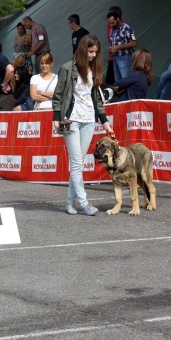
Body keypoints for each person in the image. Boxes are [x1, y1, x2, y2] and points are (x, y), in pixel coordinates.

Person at [52, 34, 115, 216]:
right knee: (77, 162)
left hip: (89, 120)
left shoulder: (94, 70)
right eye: (90, 51)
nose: (93, 55)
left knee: (78, 163)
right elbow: (58, 95)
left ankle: (70, 203)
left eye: (95, 52)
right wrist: (57, 117)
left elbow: (97, 99)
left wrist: (105, 123)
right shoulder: (67, 68)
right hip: (70, 120)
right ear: (82, 49)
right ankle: (85, 203)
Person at [107, 11, 137, 82]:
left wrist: (118, 47)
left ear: (118, 19)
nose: (111, 25)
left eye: (112, 22)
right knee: (118, 81)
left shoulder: (127, 28)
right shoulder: (112, 30)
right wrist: (110, 49)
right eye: (110, 23)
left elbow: (134, 43)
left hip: (124, 57)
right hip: (115, 57)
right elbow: (112, 43)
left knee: (125, 79)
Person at [106, 6, 123, 85]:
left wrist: (118, 47)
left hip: (121, 57)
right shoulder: (110, 25)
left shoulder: (125, 26)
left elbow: (133, 42)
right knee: (110, 81)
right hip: (112, 57)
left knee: (121, 79)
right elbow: (109, 38)